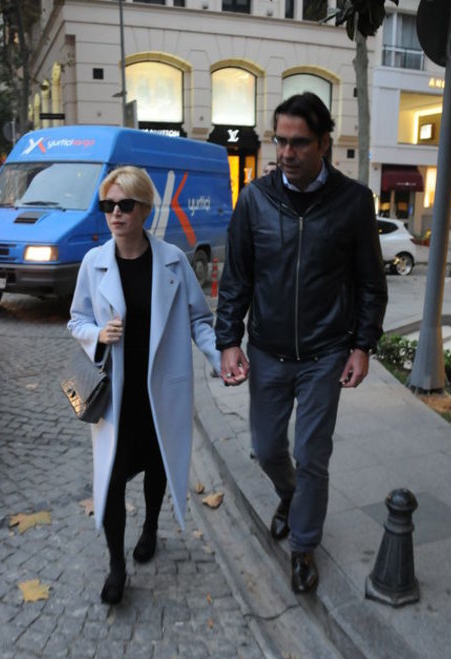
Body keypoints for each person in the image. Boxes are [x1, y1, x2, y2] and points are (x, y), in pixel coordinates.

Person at [215, 92, 388, 594]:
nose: (287, 153)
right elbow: (236, 278)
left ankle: (304, 545)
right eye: (281, 141)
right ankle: (289, 496)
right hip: (267, 352)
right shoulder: (255, 199)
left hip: (324, 354)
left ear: (324, 143)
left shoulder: (353, 202)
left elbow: (370, 283)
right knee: (267, 448)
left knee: (313, 454)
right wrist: (229, 341)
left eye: (300, 143)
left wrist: (362, 346)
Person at [68, 166, 222, 605]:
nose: (115, 214)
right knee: (112, 480)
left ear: (144, 209)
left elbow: (199, 319)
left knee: (158, 467)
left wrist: (219, 358)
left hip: (161, 392)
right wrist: (98, 334)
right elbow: (76, 320)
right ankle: (116, 566)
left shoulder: (172, 260)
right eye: (108, 205)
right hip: (116, 397)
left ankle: (151, 526)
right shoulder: (93, 263)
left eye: (125, 205)